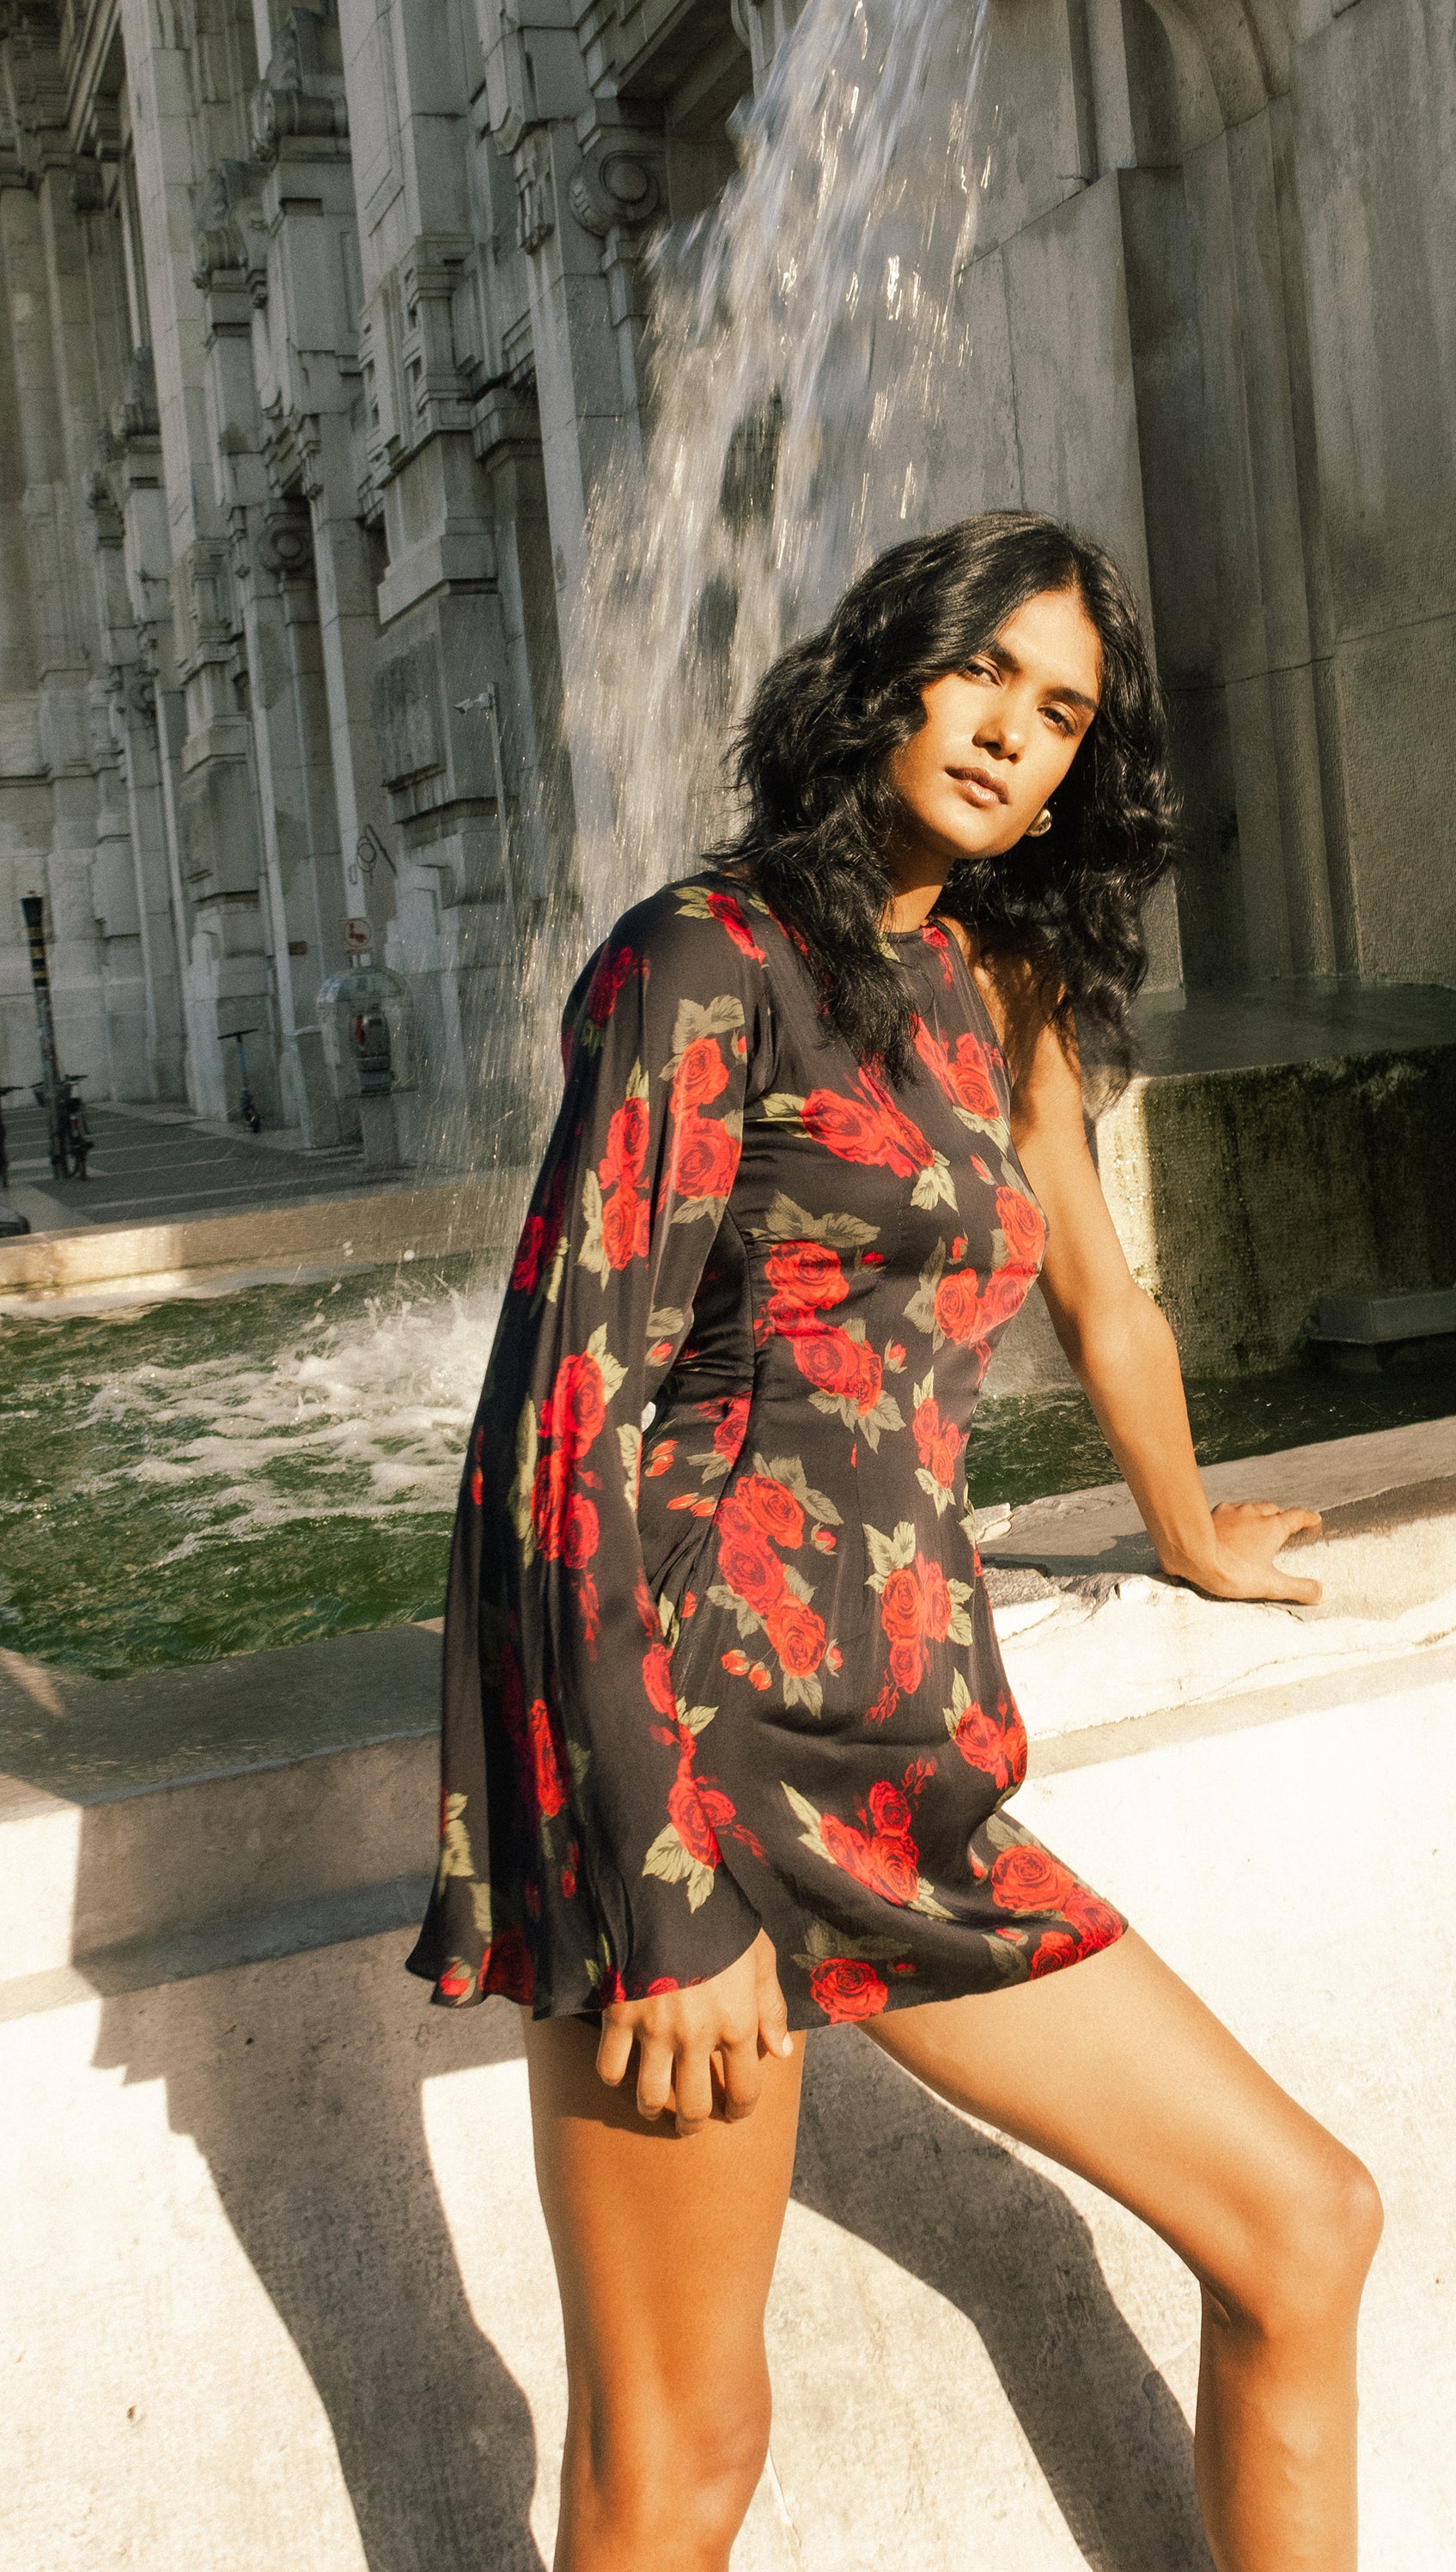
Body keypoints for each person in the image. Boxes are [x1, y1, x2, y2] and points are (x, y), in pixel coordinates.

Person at [408, 513, 1382, 2570]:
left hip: (906, 1761)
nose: (1017, 740)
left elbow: (1101, 1294)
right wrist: (657, 1885)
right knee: (678, 2457)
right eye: (987, 679)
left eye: (1063, 716)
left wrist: (1192, 1532)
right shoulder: (703, 960)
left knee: (1305, 2225)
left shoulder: (996, 981)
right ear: (891, 670)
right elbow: (554, 1428)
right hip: (699, 1765)